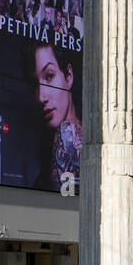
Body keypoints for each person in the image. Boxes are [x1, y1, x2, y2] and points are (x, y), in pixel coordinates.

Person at [32, 41, 82, 193]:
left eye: (49, 76)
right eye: (35, 83)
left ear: (69, 76)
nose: (41, 96)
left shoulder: (67, 132)